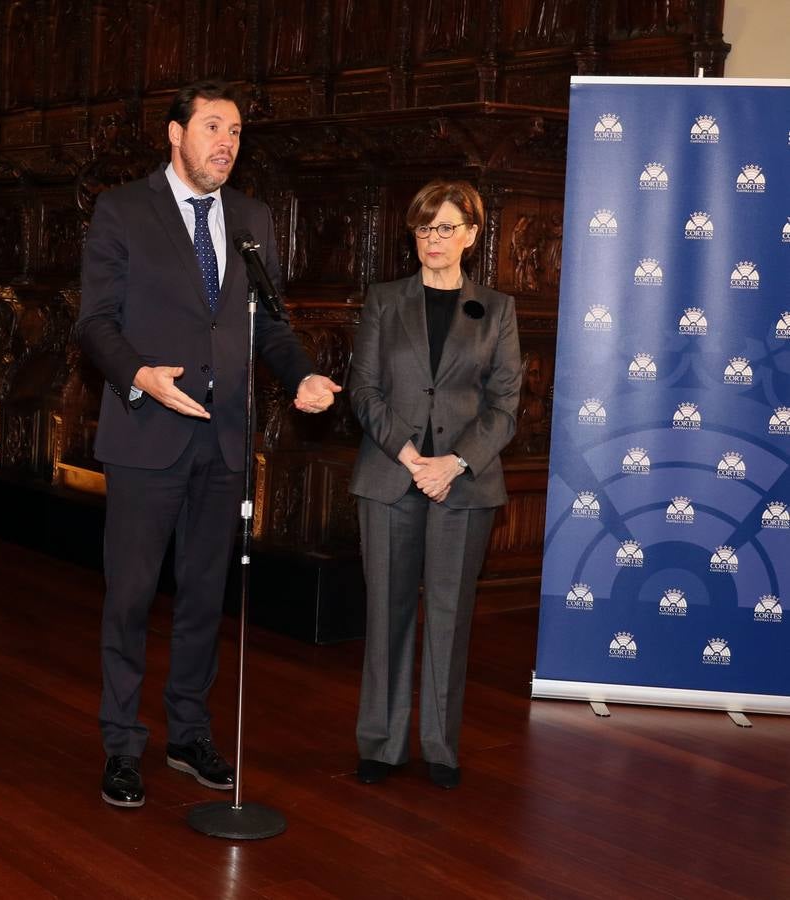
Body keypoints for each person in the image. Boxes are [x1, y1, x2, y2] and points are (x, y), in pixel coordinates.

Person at [76, 79, 341, 809]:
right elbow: (94, 321)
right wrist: (139, 376)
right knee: (130, 598)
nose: (226, 143)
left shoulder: (252, 217)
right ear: (175, 133)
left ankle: (188, 733)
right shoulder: (123, 209)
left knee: (202, 599)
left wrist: (302, 377)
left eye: (235, 133)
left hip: (224, 442)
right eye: (213, 127)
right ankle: (121, 744)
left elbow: (272, 325)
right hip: (147, 435)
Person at [347, 179, 521, 790]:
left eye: (447, 227)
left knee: (449, 616)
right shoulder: (384, 299)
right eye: (425, 228)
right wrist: (411, 455)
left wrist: (453, 463)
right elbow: (363, 391)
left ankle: (440, 748)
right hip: (391, 476)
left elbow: (504, 406)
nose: (435, 239)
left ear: (471, 235)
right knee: (386, 613)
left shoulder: (496, 310)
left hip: (464, 486)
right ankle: (382, 744)